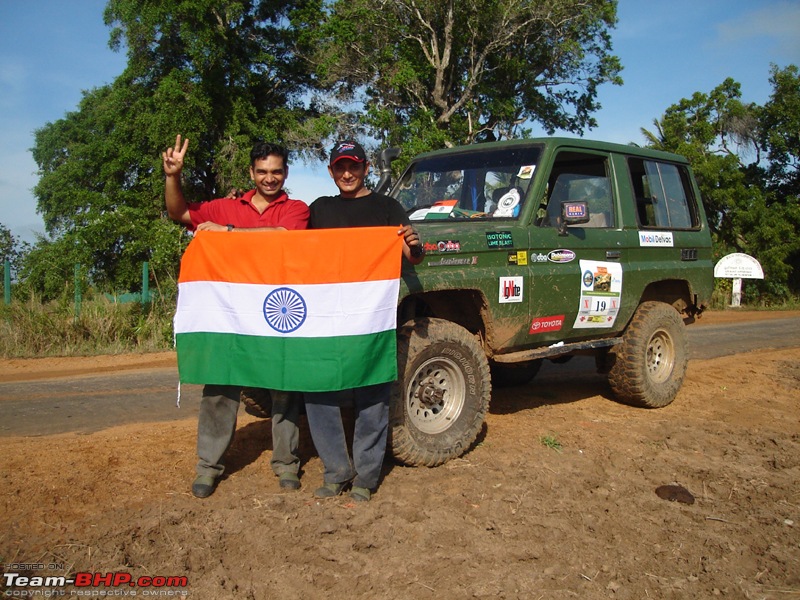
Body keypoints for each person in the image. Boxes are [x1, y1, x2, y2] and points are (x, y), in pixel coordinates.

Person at [163, 134, 310, 498]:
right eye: (262, 171)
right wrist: (172, 177)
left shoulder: (297, 209)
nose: (270, 179)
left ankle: (287, 463)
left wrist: (228, 233)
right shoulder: (224, 206)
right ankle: (208, 467)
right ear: (251, 172)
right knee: (220, 387)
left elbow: (280, 236)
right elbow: (179, 213)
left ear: (286, 173)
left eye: (276, 172)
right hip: (229, 316)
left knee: (284, 387)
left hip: (277, 310)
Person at [304, 139, 424, 503]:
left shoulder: (387, 207)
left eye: (353, 166)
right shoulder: (318, 210)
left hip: (372, 317)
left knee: (372, 394)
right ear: (330, 171)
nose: (346, 173)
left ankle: (366, 477)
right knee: (318, 392)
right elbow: (289, 250)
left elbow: (412, 255)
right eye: (340, 167)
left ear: (366, 168)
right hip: (325, 318)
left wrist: (414, 244)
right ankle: (336, 469)